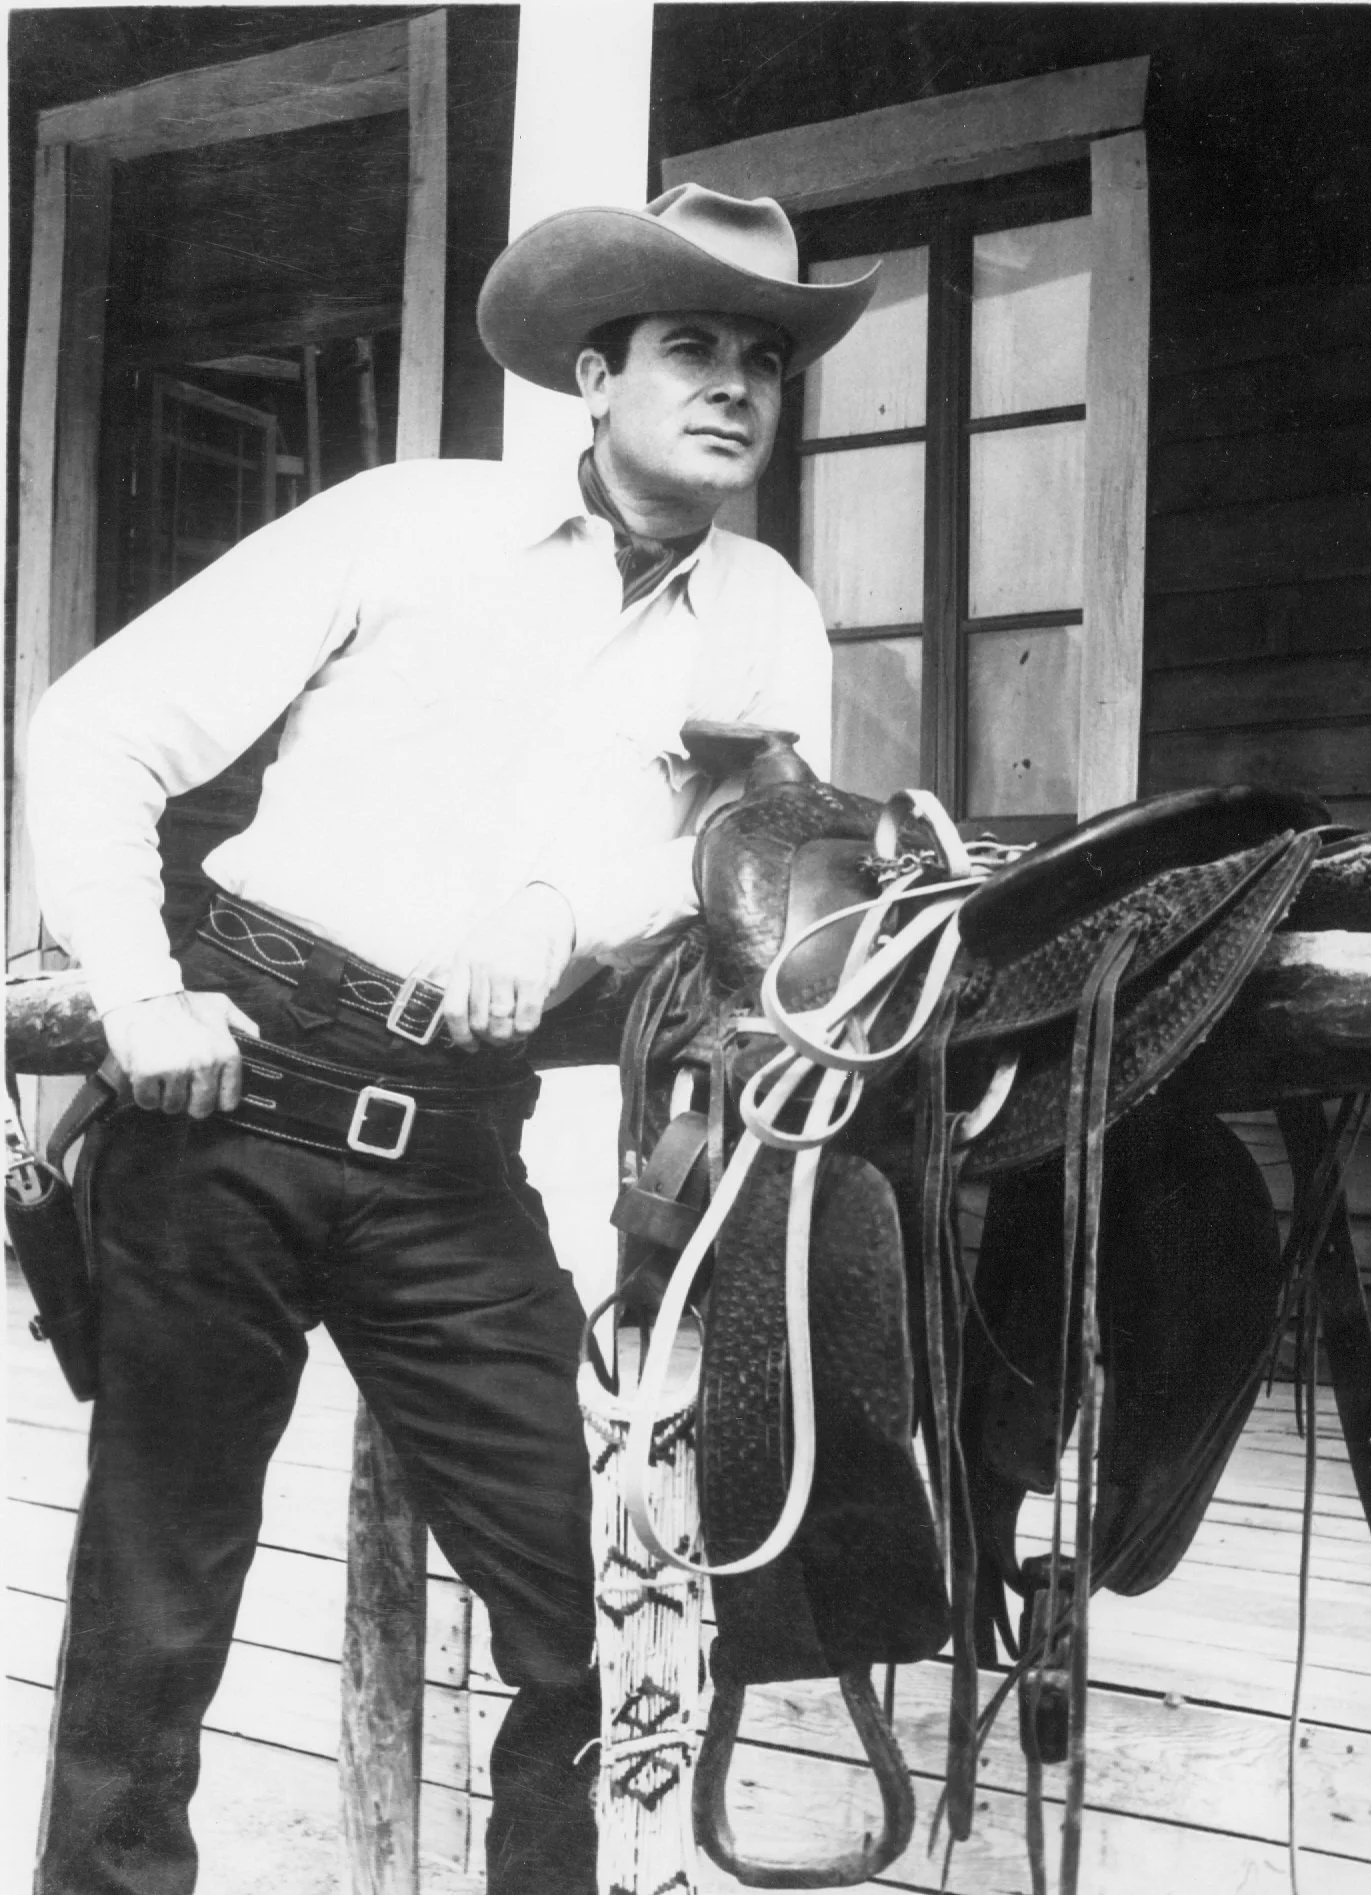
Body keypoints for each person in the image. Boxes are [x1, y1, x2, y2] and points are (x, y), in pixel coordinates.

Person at [23, 184, 877, 1895]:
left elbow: (762, 857)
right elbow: (97, 722)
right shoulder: (412, 520)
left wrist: (563, 907)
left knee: (598, 1596)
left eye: (765, 361)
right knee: (156, 1610)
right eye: (692, 347)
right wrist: (135, 986)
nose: (735, 384)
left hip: (453, 1145)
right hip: (236, 1100)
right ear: (597, 375)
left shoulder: (766, 609)